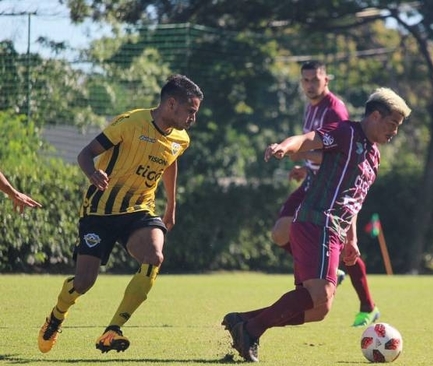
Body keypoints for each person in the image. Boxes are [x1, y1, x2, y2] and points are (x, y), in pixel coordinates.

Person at [223, 87, 411, 362]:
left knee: (318, 310)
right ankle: (251, 331)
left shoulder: (375, 155)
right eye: (392, 123)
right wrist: (283, 147)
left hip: (335, 230)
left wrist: (352, 239)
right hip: (317, 220)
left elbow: (354, 201)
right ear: (374, 115)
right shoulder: (347, 132)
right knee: (320, 293)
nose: (394, 131)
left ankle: (242, 320)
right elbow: (309, 139)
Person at [38, 74, 204, 354]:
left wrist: (171, 206)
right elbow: (85, 153)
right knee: (83, 283)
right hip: (99, 212)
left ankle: (112, 330)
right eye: (191, 111)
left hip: (139, 210)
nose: (192, 119)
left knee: (154, 257)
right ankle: (56, 315)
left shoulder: (182, 139)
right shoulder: (130, 123)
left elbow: (170, 163)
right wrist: (92, 173)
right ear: (171, 103)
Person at [271, 60, 381, 327]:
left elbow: (341, 154)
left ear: (326, 80)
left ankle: (367, 304)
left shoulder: (335, 110)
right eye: (305, 80)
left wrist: (300, 152)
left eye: (315, 79)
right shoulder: (311, 108)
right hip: (312, 180)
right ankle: (333, 271)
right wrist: (304, 166)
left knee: (345, 245)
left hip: (330, 189)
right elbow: (318, 151)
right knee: (280, 233)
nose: (310, 85)